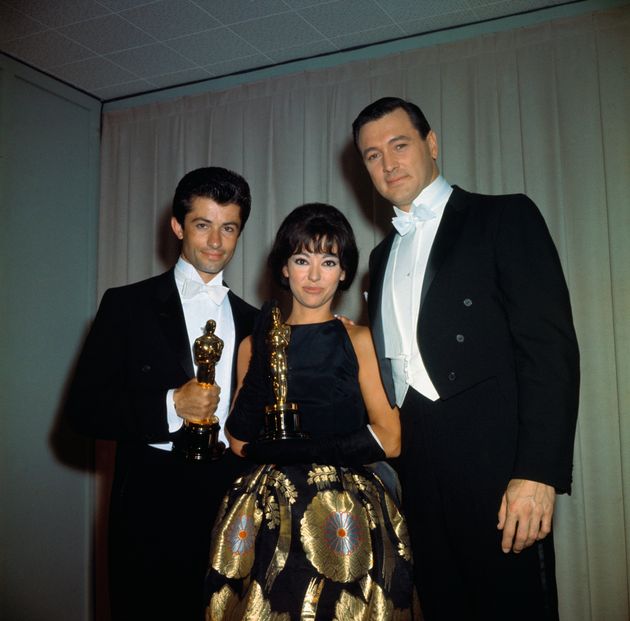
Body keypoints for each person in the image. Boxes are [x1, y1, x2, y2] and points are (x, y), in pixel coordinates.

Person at [351, 97, 580, 621]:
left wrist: (538, 473)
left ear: (432, 145)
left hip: (500, 470)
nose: (387, 163)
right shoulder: (380, 256)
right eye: (371, 155)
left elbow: (549, 351)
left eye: (399, 145)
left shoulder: (505, 216)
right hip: (420, 472)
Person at [204, 203, 419, 620]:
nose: (315, 275)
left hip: (346, 512)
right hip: (267, 516)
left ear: (343, 271)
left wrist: (306, 451)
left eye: (328, 261)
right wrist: (266, 347)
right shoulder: (255, 343)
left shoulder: (359, 340)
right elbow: (238, 439)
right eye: (302, 260)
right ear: (285, 269)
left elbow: (390, 437)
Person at [66, 167, 258, 620]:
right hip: (149, 505)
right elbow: (83, 411)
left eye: (228, 227)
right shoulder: (126, 305)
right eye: (202, 224)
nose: (216, 241)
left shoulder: (256, 320)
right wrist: (171, 404)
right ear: (177, 226)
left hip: (231, 503)